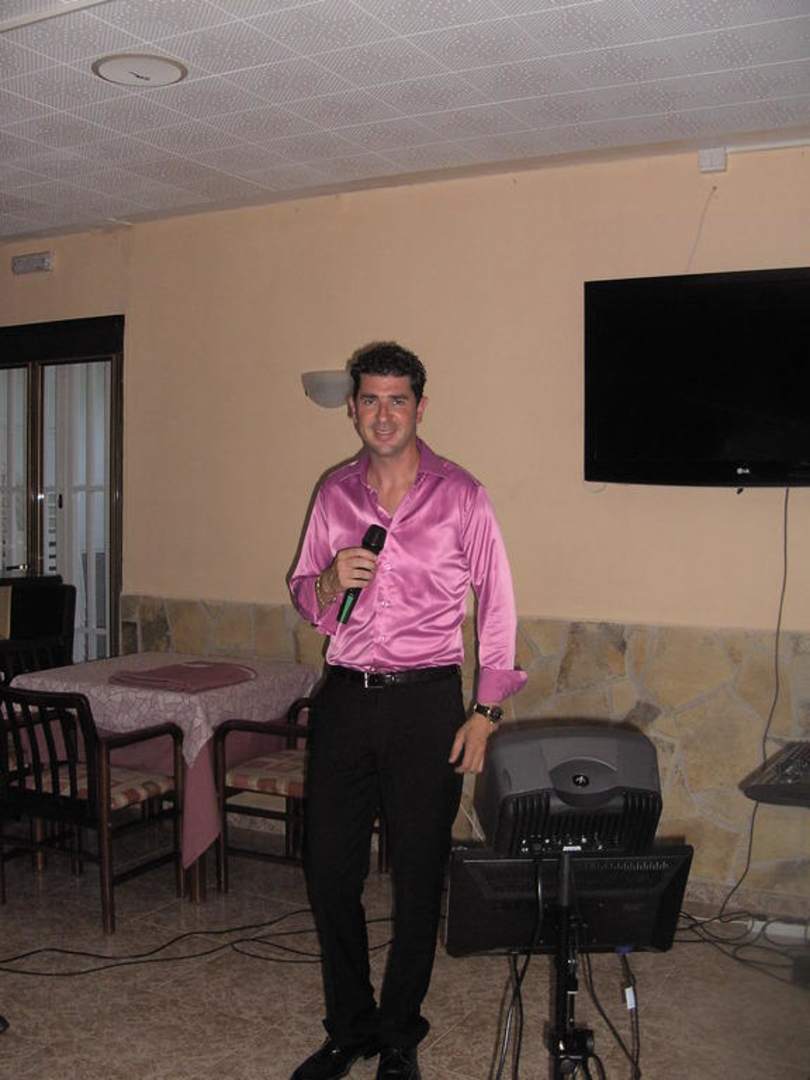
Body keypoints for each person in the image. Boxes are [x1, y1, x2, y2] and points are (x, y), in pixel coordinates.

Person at [288, 342, 526, 1080]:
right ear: (353, 408)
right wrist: (328, 581)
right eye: (370, 399)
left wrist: (486, 710)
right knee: (329, 870)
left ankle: (398, 1034)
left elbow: (497, 603)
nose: (383, 414)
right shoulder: (334, 494)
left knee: (420, 875)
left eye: (397, 400)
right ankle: (349, 1026)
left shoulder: (463, 495)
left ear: (420, 407)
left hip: (427, 703)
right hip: (345, 698)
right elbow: (304, 592)